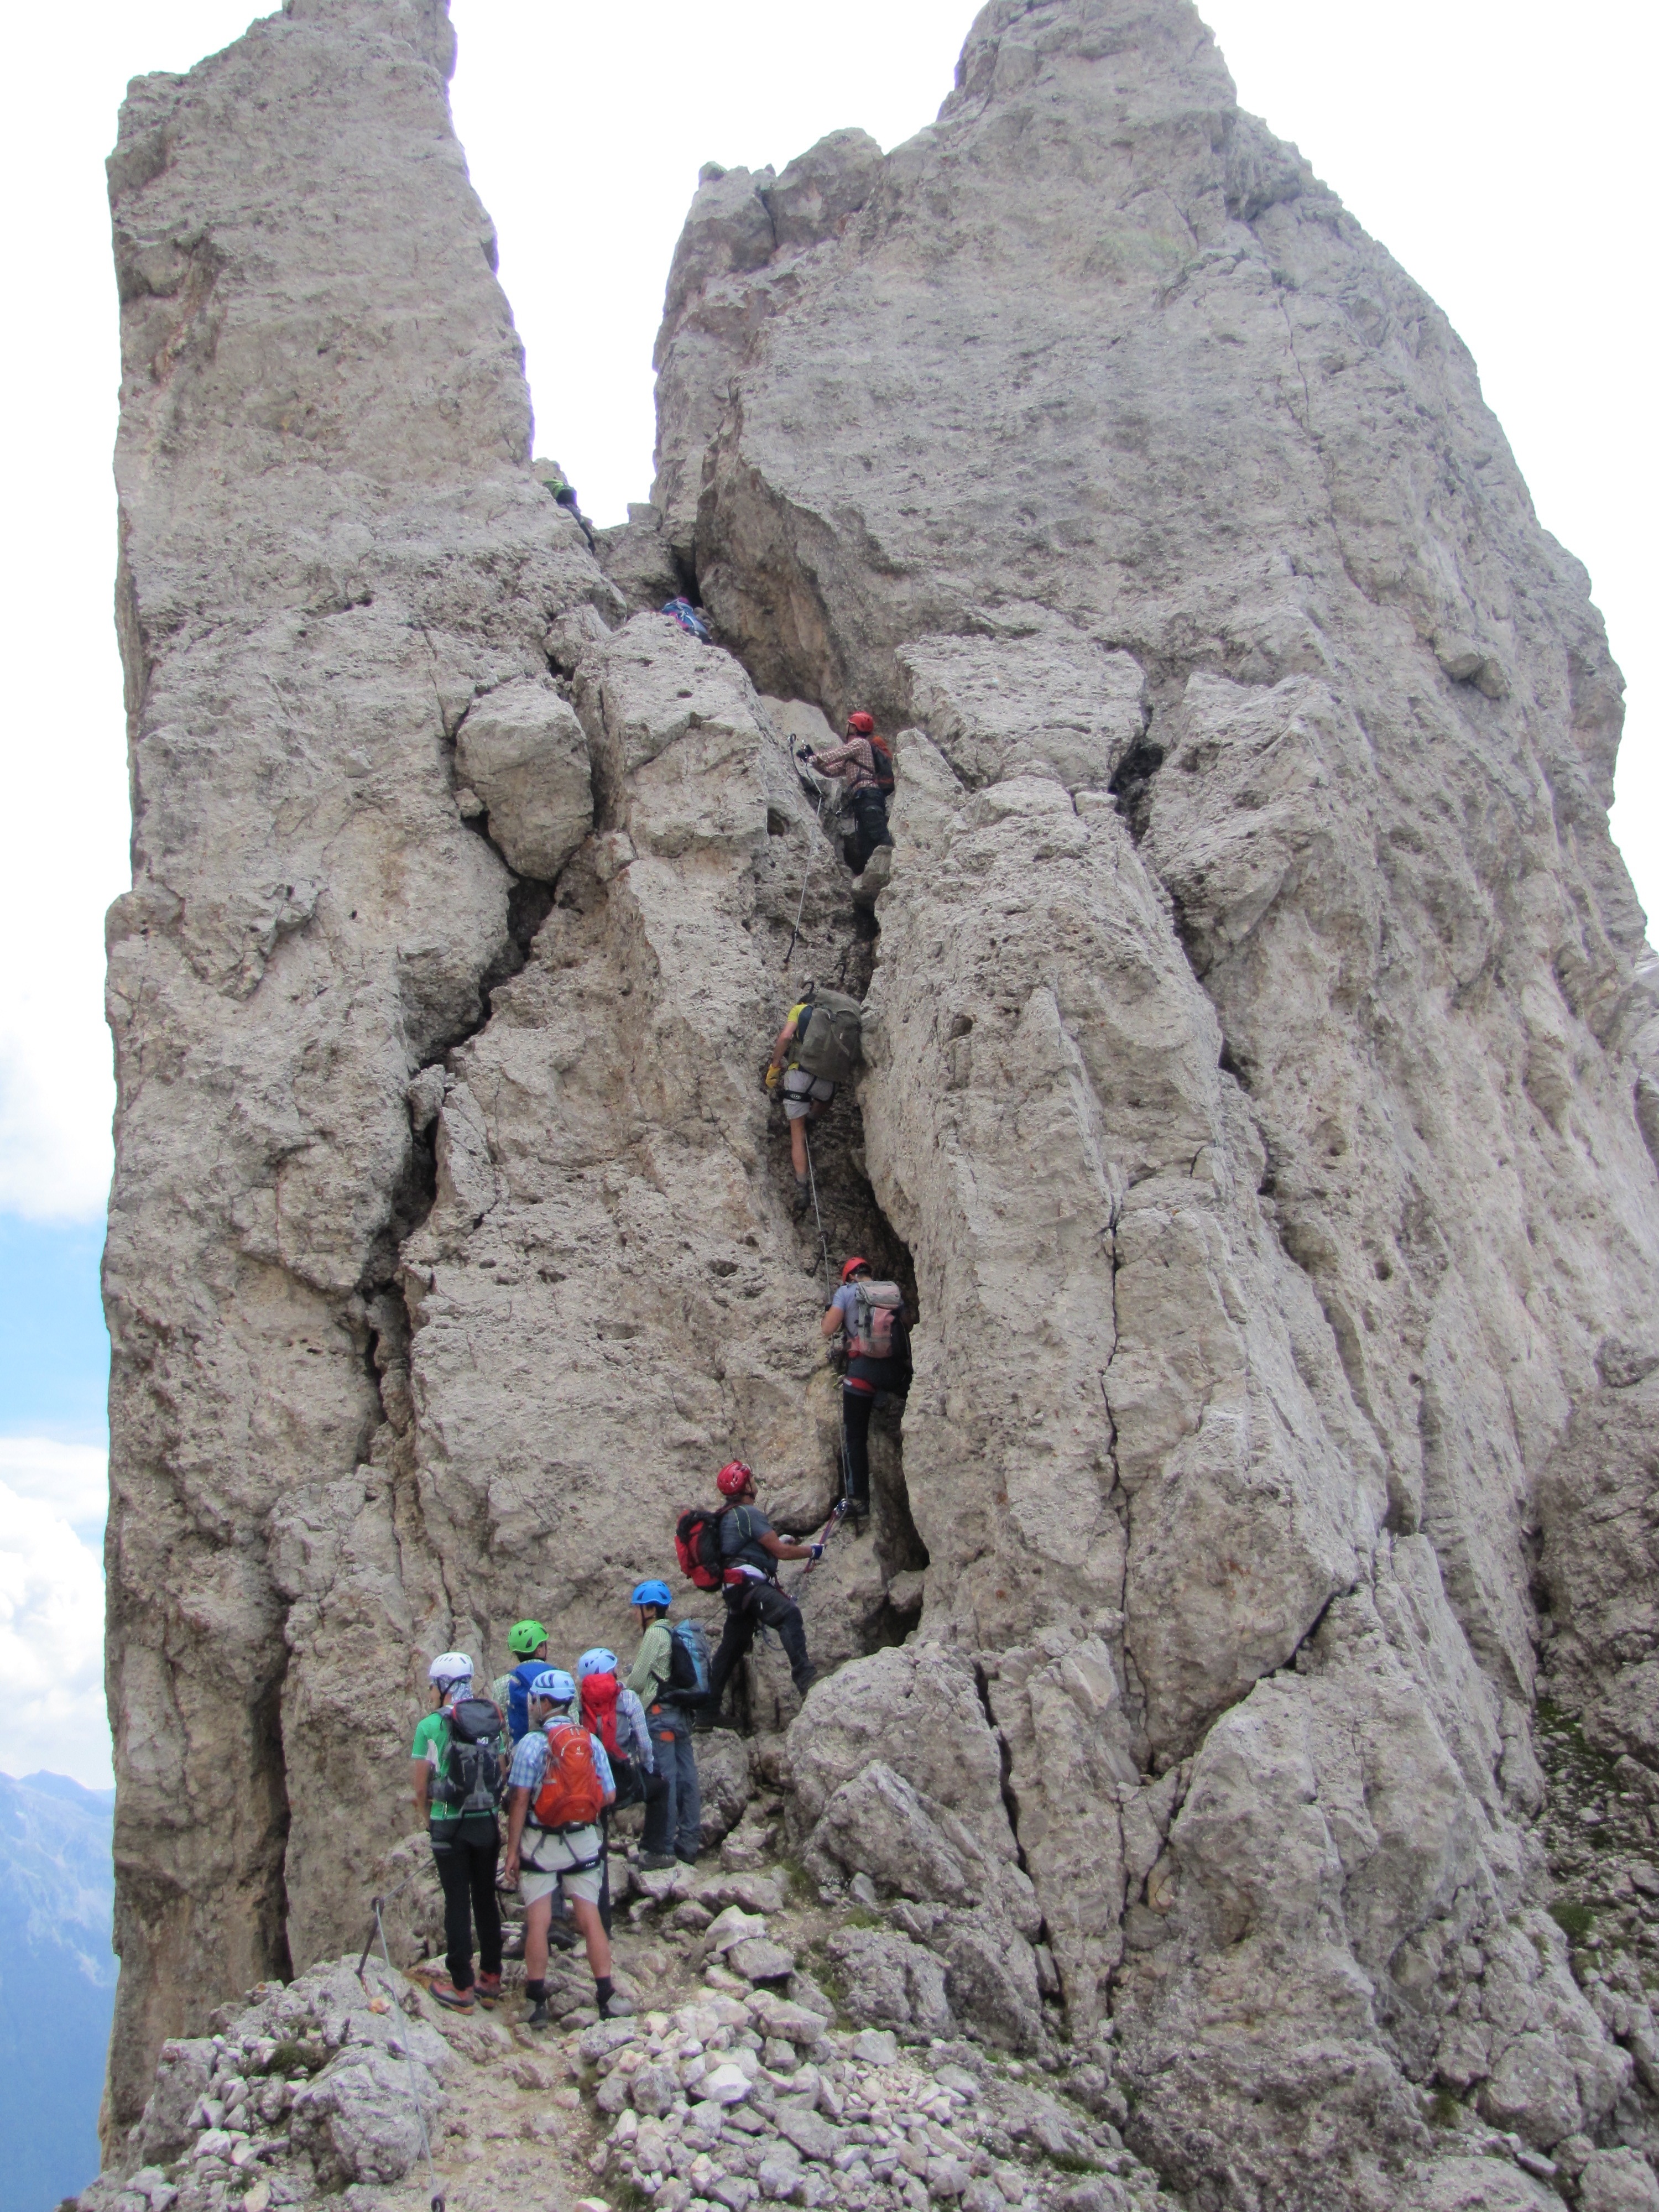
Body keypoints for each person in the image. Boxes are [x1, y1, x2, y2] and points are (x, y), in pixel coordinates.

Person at [502, 1668, 619, 2028]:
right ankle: (606, 1999)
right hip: (583, 1842)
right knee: (590, 1919)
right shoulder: (590, 1742)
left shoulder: (530, 1745)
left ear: (543, 1702)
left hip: (540, 1844)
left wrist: (511, 1852)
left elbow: (519, 1799)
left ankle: (537, 2005)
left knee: (538, 1921)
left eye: (535, 1700)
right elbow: (610, 1794)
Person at [410, 1653, 506, 2012]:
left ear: (444, 1686)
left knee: (457, 1902)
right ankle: (491, 1978)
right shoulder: (491, 1716)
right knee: (485, 1897)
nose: (431, 1691)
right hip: (487, 1822)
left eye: (434, 1684)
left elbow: (420, 1787)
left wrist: (427, 1820)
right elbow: (501, 1768)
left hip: (449, 1822)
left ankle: (462, 1987)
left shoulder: (429, 1726)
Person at [703, 1463, 822, 1717]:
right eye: (752, 1479)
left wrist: (779, 1542)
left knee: (732, 1646)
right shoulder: (748, 1513)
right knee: (788, 1614)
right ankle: (806, 1679)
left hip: (734, 1589)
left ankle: (707, 1712)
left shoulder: (727, 1515)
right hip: (749, 1584)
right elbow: (780, 1552)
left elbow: (752, 1548)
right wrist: (812, 1551)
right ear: (746, 1486)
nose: (755, 1482)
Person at [822, 1257, 909, 1524]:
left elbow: (828, 1329)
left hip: (861, 1374)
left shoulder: (846, 1292)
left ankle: (859, 1499)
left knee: (855, 1437)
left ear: (849, 1277)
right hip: (895, 1373)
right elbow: (906, 1324)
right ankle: (882, 1399)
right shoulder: (890, 1291)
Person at [627, 1582, 703, 1867]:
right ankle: (689, 1842)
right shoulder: (673, 1633)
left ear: (650, 1609)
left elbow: (636, 1682)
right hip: (681, 1717)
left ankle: (664, 1848)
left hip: (660, 1718)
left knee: (667, 1781)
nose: (635, 1614)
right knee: (688, 1778)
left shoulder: (655, 1634)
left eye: (637, 1608)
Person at [576, 1647, 671, 1870]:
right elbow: (645, 1745)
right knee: (661, 1788)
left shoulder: (577, 1702)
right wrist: (648, 1770)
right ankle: (653, 1852)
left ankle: (593, 1860)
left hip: (590, 1785)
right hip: (624, 1783)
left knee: (598, 1813)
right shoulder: (627, 1698)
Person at [801, 711, 894, 878]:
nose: (847, 727)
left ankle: (894, 866)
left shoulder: (860, 744)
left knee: (877, 832)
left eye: (850, 724)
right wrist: (812, 759)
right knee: (865, 843)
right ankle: (874, 874)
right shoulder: (855, 755)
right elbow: (831, 771)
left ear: (855, 728)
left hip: (868, 795)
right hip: (862, 798)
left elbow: (837, 754)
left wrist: (813, 758)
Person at [766, 988, 832, 1213]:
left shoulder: (799, 1009)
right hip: (826, 1082)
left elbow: (785, 1037)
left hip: (798, 1078)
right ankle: (813, 1119)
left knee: (797, 1135)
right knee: (827, 1099)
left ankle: (803, 1188)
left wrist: (776, 1065)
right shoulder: (834, 1017)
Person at [491, 1619, 551, 1743]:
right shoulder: (560, 1679)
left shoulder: (502, 1684)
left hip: (517, 1753)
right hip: (556, 1752)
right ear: (539, 1649)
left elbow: (497, 1726)